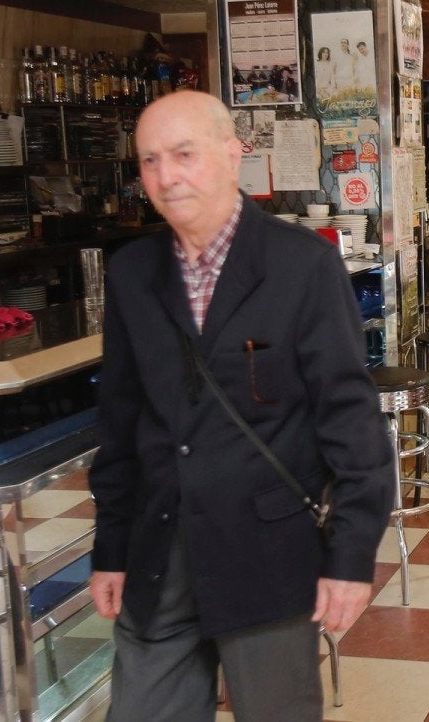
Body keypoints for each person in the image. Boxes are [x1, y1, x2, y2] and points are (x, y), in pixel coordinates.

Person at [88, 91, 394, 721]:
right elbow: (120, 421)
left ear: (233, 154)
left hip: (266, 555)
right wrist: (110, 548)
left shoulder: (301, 265)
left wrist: (351, 555)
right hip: (159, 552)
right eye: (149, 161)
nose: (166, 176)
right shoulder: (133, 273)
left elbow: (349, 419)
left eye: (183, 154)